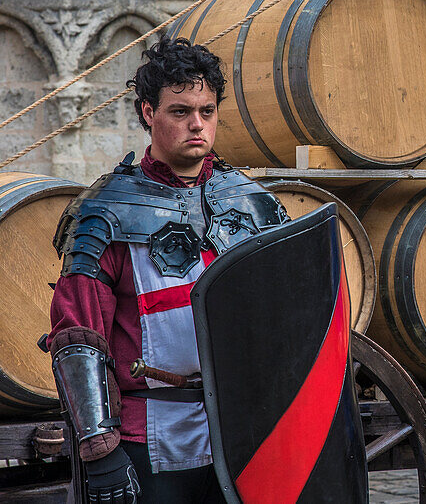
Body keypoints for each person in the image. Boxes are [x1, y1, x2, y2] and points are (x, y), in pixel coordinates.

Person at [47, 38, 289, 503]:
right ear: (146, 113)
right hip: (146, 435)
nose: (197, 124)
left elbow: (281, 323)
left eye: (207, 110)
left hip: (243, 432)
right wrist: (99, 447)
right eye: (180, 111)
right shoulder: (105, 213)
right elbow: (78, 333)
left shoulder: (254, 205)